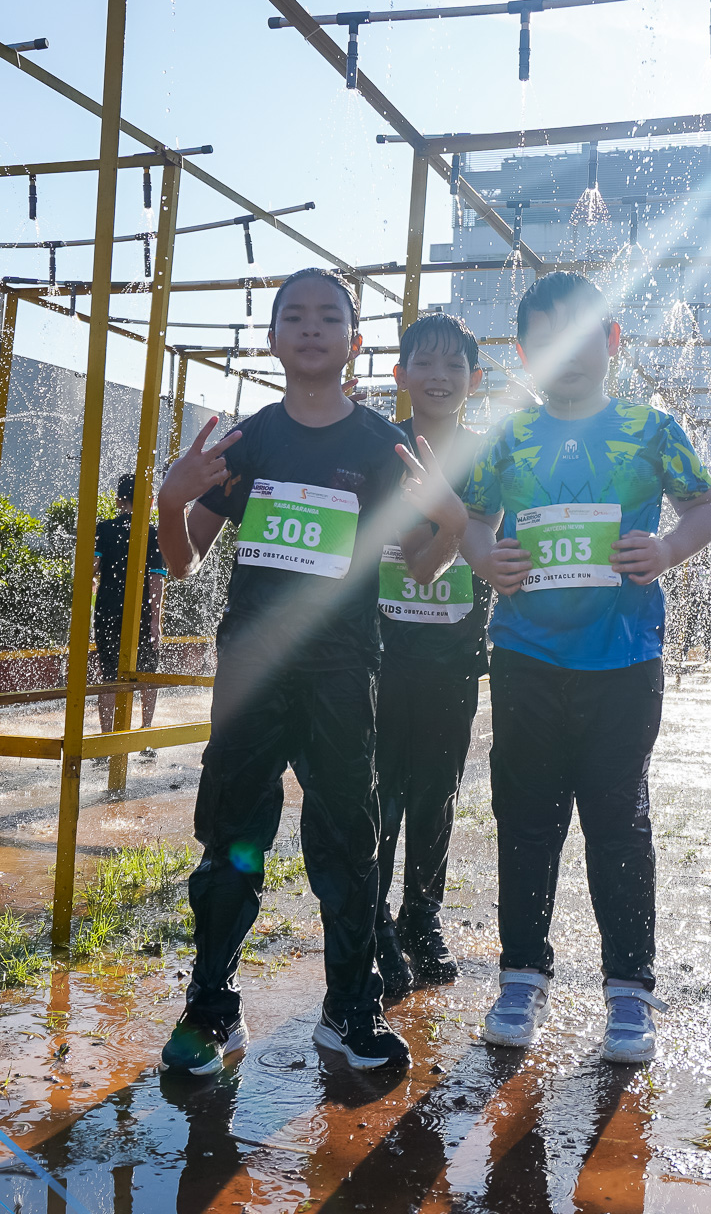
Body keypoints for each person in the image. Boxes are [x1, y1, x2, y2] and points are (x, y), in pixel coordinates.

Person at [154, 267, 466, 1075]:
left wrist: (451, 521)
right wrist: (169, 502)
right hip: (253, 672)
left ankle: (350, 1009)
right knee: (230, 839)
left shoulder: (381, 446)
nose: (312, 327)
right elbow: (184, 564)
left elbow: (424, 567)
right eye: (294, 316)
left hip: (343, 672)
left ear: (354, 342)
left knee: (349, 840)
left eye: (329, 317)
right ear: (272, 340)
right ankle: (212, 1007)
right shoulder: (249, 441)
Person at [462, 271, 711, 1063]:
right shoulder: (509, 436)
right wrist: (486, 560)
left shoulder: (650, 429)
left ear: (612, 340)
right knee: (526, 819)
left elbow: (708, 506)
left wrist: (669, 548)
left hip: (623, 661)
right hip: (525, 656)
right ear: (523, 354)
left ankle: (630, 991)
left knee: (619, 822)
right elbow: (473, 519)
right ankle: (521, 977)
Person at [373, 313, 491, 998]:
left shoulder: (488, 456)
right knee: (378, 788)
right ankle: (373, 922)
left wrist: (449, 528)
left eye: (454, 365)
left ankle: (421, 917)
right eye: (425, 362)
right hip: (379, 651)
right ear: (401, 374)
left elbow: (482, 543)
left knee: (435, 790)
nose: (439, 376)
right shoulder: (378, 447)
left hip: (453, 654)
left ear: (475, 380)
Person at [93, 472, 166, 752]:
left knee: (109, 676)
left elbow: (92, 569)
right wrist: (155, 621)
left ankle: (106, 739)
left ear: (119, 501)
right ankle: (145, 735)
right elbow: (155, 579)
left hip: (107, 610)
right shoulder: (153, 533)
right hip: (141, 613)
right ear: (149, 501)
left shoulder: (105, 529)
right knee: (148, 675)